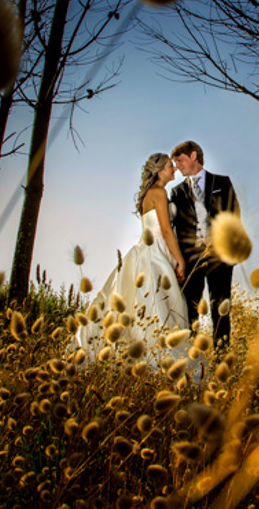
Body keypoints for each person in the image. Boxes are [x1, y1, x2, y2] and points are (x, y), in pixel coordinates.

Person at [71, 153, 189, 362]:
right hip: (156, 253)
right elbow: (165, 230)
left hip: (154, 249)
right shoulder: (158, 192)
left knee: (153, 303)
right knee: (160, 304)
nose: (174, 169)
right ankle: (157, 356)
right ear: (161, 170)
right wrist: (180, 259)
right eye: (171, 166)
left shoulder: (154, 193)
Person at [170, 140, 240, 347]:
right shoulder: (176, 192)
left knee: (221, 310)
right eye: (174, 163)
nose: (177, 166)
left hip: (220, 257)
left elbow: (234, 216)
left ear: (193, 156)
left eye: (180, 160)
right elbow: (175, 228)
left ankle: (221, 359)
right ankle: (190, 361)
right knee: (189, 310)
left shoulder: (222, 183)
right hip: (191, 260)